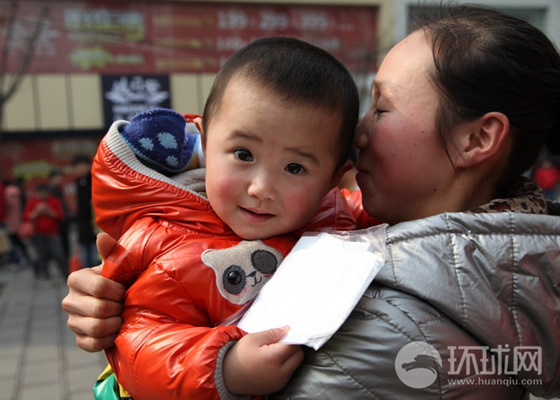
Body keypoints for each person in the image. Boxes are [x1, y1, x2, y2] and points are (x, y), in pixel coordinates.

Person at [62, 5, 560, 399]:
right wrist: (126, 303)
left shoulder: (391, 325)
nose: (359, 134)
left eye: (383, 108)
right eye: (242, 154)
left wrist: (142, 355)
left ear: (478, 139)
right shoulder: (477, 263)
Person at [87, 37, 361, 400]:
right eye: (243, 154)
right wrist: (226, 368)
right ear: (204, 141)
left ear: (333, 177)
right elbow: (138, 342)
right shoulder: (165, 237)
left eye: (295, 168)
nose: (261, 188)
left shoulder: (336, 213)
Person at [23, 183, 69, 284]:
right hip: (37, 234)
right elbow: (27, 217)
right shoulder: (32, 202)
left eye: (44, 192)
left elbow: (60, 216)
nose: (42, 195)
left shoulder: (54, 200)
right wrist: (37, 211)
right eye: (40, 193)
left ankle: (65, 275)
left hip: (53, 233)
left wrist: (48, 211)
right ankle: (46, 276)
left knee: (58, 254)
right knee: (42, 255)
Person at [72, 154, 99, 268]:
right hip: (83, 227)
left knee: (96, 259)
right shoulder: (78, 183)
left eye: (80, 166)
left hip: (95, 225)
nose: (78, 169)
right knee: (85, 260)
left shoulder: (95, 180)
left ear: (88, 165)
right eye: (76, 167)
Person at [48, 168, 71, 257]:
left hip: (63, 221)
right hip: (57, 223)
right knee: (61, 247)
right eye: (57, 177)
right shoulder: (51, 192)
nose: (60, 179)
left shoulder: (59, 190)